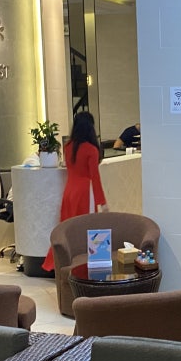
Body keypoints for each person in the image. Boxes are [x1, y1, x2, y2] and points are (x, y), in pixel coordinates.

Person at [41, 111, 108, 272]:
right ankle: (90, 265)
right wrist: (102, 202)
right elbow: (95, 177)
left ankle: (59, 263)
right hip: (85, 193)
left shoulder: (68, 147)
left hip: (69, 191)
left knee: (67, 227)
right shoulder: (91, 150)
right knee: (89, 227)